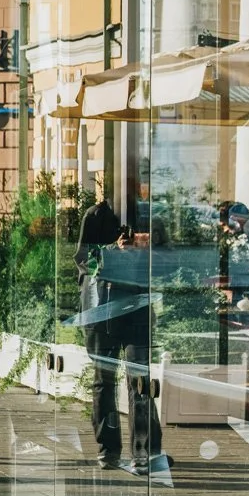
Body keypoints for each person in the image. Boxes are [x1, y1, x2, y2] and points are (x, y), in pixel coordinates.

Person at [75, 198, 163, 472]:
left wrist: (146, 247)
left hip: (137, 308)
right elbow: (83, 261)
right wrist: (114, 250)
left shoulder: (148, 214)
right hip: (102, 308)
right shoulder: (96, 215)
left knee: (140, 381)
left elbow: (169, 258)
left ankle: (144, 452)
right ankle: (108, 450)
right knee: (104, 380)